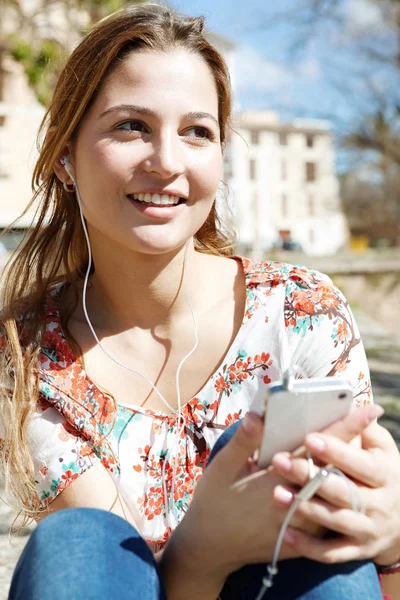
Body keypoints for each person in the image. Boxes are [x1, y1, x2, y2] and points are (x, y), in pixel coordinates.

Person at [1, 4, 400, 599]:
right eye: (131, 125)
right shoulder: (30, 353)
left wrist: (390, 540)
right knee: (80, 541)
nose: (166, 161)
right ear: (64, 157)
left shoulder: (301, 314)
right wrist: (205, 549)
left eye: (197, 131)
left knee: (318, 548)